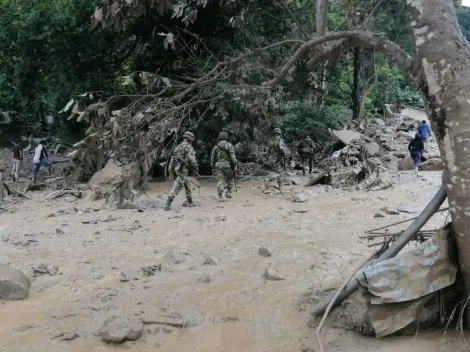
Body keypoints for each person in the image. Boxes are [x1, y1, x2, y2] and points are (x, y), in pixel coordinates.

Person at [164, 131, 198, 211]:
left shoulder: (178, 147)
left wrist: (170, 171)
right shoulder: (189, 147)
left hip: (177, 168)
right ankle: (167, 204)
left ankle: (190, 201)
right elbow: (192, 158)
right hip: (183, 169)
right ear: (190, 139)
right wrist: (196, 166)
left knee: (187, 184)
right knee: (177, 186)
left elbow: (172, 160)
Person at [211, 131, 238, 200]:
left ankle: (220, 196)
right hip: (227, 166)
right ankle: (228, 192)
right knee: (230, 178)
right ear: (226, 137)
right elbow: (233, 156)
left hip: (218, 166)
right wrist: (235, 165)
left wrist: (213, 167)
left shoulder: (216, 146)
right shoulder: (229, 145)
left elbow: (212, 158)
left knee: (220, 180)